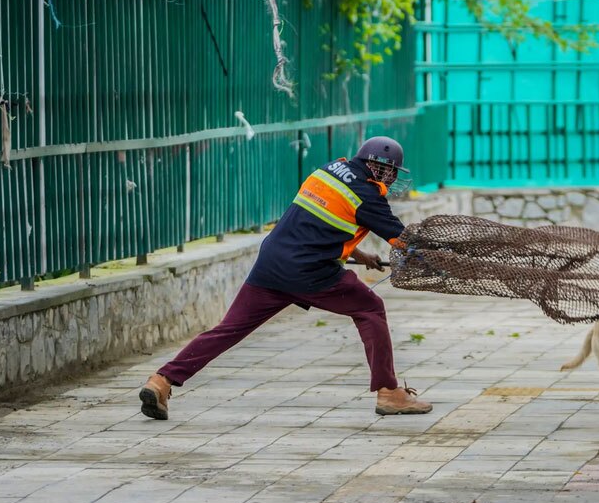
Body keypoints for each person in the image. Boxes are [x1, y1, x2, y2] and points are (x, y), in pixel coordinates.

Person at [138, 136, 432, 420]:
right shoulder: (368, 195)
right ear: (381, 168)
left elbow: (316, 224)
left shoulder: (330, 170)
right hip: (311, 272)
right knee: (370, 309)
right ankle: (389, 393)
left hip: (272, 262)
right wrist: (440, 259)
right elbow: (403, 239)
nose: (392, 178)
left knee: (229, 329)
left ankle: (162, 380)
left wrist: (358, 253)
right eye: (392, 171)